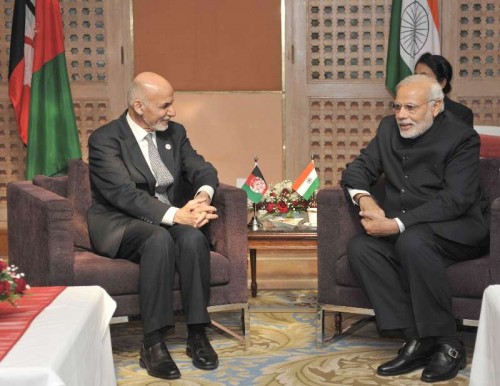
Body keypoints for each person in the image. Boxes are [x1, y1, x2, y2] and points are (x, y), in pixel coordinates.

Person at [341, 75, 489, 383]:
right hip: (407, 231)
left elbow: (456, 199)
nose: (401, 115)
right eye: (397, 106)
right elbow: (357, 169)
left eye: (410, 107)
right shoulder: (387, 130)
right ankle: (417, 338)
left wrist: (396, 224)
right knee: (361, 248)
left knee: (412, 241)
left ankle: (449, 344)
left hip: (457, 229)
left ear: (436, 107)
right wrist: (366, 200)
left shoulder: (462, 137)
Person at [87, 72, 219, 380]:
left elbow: (203, 168)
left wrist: (200, 199)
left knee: (193, 240)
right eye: (165, 105)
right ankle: (153, 342)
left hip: (168, 216)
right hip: (122, 221)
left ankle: (197, 332)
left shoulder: (175, 133)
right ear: (138, 106)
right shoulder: (106, 139)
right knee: (159, 239)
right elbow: (123, 194)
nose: (172, 112)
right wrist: (176, 215)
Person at [415, 53, 474, 126]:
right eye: (415, 76)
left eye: (423, 77)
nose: (416, 81)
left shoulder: (461, 113)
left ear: (442, 83)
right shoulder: (406, 109)